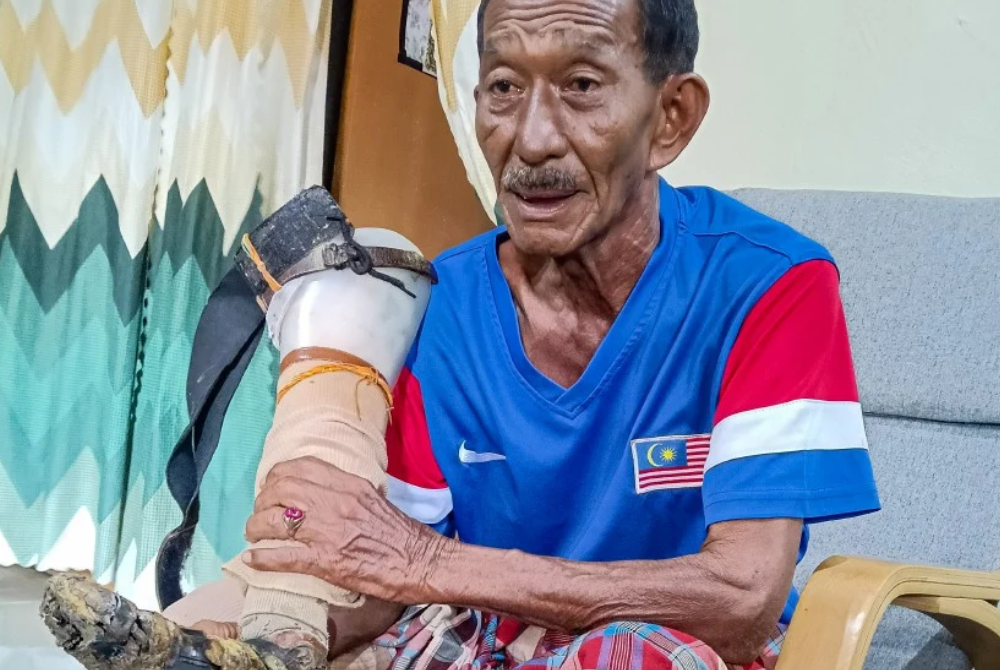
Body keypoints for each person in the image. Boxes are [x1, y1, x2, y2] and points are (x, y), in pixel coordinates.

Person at [178, 0, 880, 668]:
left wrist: (429, 563)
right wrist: (267, 630)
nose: (532, 138)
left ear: (671, 117)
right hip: (484, 641)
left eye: (581, 86)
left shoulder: (768, 284)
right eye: (504, 87)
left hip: (676, 652)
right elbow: (380, 583)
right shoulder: (442, 307)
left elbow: (743, 601)